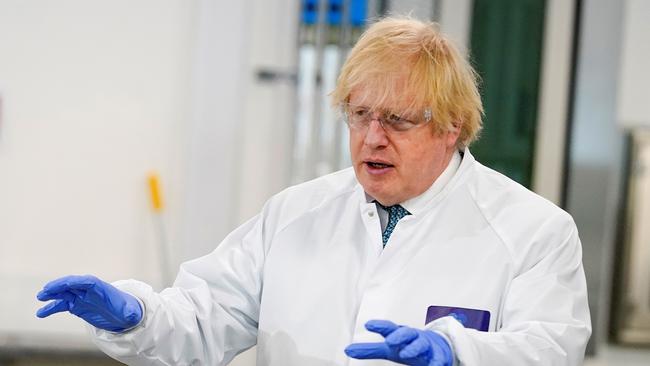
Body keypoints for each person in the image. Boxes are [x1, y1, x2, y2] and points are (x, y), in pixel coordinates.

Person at [36, 17, 591, 366]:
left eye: (397, 120)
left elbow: (550, 350)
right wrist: (135, 315)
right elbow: (205, 318)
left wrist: (461, 351)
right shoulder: (295, 213)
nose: (373, 138)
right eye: (360, 115)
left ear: (451, 126)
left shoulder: (533, 232)